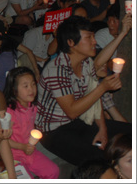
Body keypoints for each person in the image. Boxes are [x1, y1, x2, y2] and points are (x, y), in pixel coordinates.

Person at [35, 16, 132, 166]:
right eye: (89, 37)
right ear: (71, 42)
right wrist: (103, 87)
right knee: (100, 159)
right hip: (53, 131)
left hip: (78, 122)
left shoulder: (85, 62)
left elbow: (94, 99)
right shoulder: (57, 70)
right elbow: (72, 110)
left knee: (130, 132)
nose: (95, 41)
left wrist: (103, 128)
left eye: (93, 36)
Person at [3, 67, 59, 178]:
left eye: (33, 84)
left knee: (53, 171)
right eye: (25, 86)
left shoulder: (32, 107)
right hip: (12, 155)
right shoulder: (9, 112)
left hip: (29, 151)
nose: (31, 89)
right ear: (14, 90)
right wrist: (22, 147)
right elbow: (3, 140)